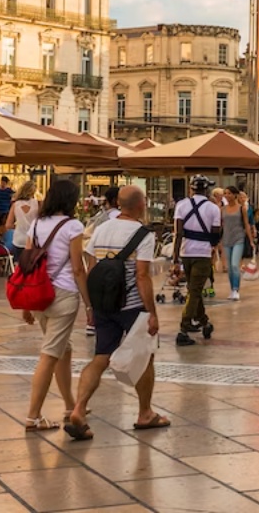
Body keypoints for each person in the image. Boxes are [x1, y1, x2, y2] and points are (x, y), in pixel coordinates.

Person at [68, 185, 167, 439]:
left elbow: (91, 269)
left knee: (101, 356)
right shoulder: (143, 233)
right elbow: (142, 276)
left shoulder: (101, 229)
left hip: (103, 304)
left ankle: (78, 409)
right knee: (145, 358)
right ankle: (145, 413)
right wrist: (152, 312)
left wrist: (91, 306)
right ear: (140, 205)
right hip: (132, 305)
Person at [19, 179, 88, 431]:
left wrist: (26, 303)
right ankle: (33, 416)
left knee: (63, 349)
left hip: (39, 293)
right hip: (64, 294)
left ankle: (71, 404)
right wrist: (89, 304)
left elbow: (26, 263)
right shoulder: (73, 226)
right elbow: (78, 268)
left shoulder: (36, 224)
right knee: (50, 354)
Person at [172, 177, 223, 347]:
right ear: (207, 190)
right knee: (194, 290)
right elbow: (216, 233)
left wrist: (175, 258)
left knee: (194, 289)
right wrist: (214, 246)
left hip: (185, 252)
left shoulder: (181, 205)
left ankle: (204, 322)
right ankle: (183, 329)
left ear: (191, 189)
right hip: (203, 254)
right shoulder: (213, 208)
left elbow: (178, 233)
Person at [220, 187, 257, 301]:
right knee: (229, 267)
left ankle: (236, 289)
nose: (227, 195)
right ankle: (232, 289)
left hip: (238, 238)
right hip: (226, 239)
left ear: (235, 195)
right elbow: (220, 225)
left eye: (229, 193)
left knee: (235, 265)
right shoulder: (222, 209)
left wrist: (251, 240)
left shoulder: (242, 209)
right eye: (225, 193)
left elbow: (246, 224)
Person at [4, 179, 38, 262]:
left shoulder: (15, 205)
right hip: (32, 240)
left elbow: (8, 225)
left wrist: (18, 225)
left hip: (18, 239)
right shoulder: (37, 204)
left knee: (19, 266)